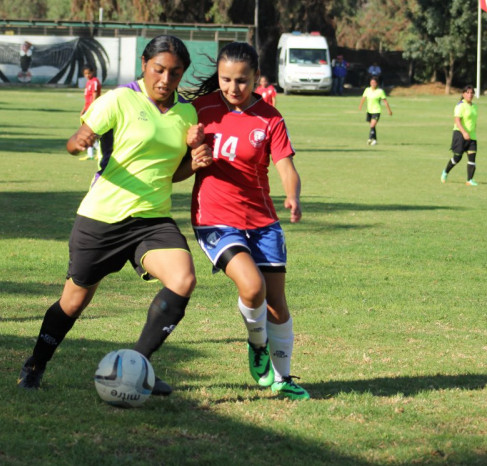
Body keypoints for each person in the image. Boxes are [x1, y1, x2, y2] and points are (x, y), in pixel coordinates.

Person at [17, 35, 213, 396]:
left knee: (183, 279)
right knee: (73, 302)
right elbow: (77, 140)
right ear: (143, 64)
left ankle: (137, 365)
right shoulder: (120, 99)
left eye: (175, 73)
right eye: (159, 70)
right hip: (102, 219)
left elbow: (171, 172)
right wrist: (79, 143)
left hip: (152, 219)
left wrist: (194, 162)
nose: (166, 80)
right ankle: (35, 364)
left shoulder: (187, 112)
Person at [181, 42, 310, 400]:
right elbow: (176, 172)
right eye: (226, 80)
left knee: (276, 305)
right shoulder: (199, 111)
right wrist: (193, 157)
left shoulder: (270, 118)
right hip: (215, 218)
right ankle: (257, 347)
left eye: (241, 80)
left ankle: (283, 379)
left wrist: (293, 197)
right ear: (218, 77)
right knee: (252, 287)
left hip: (262, 219)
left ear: (256, 77)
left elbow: (286, 167)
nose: (233, 88)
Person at [441, 85, 479, 186]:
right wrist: (464, 132)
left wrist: (472, 132)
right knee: (457, 158)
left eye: (472, 93)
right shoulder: (460, 105)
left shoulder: (475, 106)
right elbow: (457, 121)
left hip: (472, 136)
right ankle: (445, 172)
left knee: (472, 157)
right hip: (460, 134)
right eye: (468, 93)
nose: (470, 95)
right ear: (463, 94)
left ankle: (469, 180)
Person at [358, 76, 393, 145]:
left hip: (377, 110)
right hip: (369, 110)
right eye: (371, 82)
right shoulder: (367, 90)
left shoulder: (380, 91)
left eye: (374, 83)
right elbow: (363, 98)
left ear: (377, 83)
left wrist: (389, 110)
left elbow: (385, 101)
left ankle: (370, 139)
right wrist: (360, 106)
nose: (373, 84)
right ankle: (375, 140)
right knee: (372, 126)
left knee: (372, 125)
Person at [79, 65, 102, 161]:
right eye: (85, 74)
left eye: (89, 73)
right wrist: (83, 109)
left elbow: (94, 96)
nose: (87, 75)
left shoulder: (95, 82)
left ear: (93, 72)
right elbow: (87, 99)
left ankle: (100, 151)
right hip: (87, 109)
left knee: (90, 132)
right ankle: (91, 154)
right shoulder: (88, 82)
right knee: (88, 132)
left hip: (92, 110)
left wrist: (91, 110)